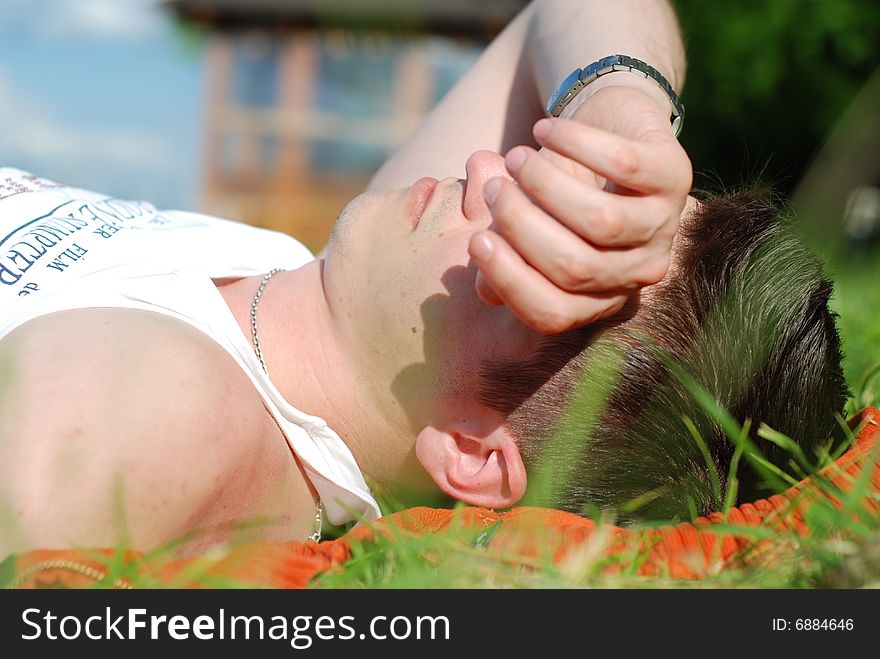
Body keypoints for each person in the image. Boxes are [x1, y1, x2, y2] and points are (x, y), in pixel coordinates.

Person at [0, 0, 846, 557]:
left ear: (475, 456)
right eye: (569, 192)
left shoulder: (188, 409)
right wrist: (617, 110)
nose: (493, 170)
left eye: (530, 245)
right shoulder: (331, 316)